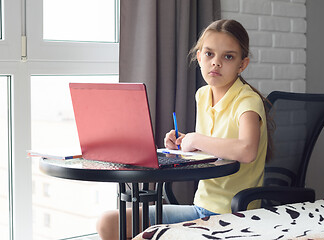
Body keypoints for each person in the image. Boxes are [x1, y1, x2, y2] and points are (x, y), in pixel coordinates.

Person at [96, 19, 273, 240]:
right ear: (199, 57)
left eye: (228, 56)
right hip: (201, 209)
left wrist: (196, 139)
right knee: (109, 223)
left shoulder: (247, 101)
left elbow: (247, 150)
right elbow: (215, 148)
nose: (216, 63)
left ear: (242, 64)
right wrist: (182, 143)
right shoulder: (202, 95)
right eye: (209, 54)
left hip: (232, 216)